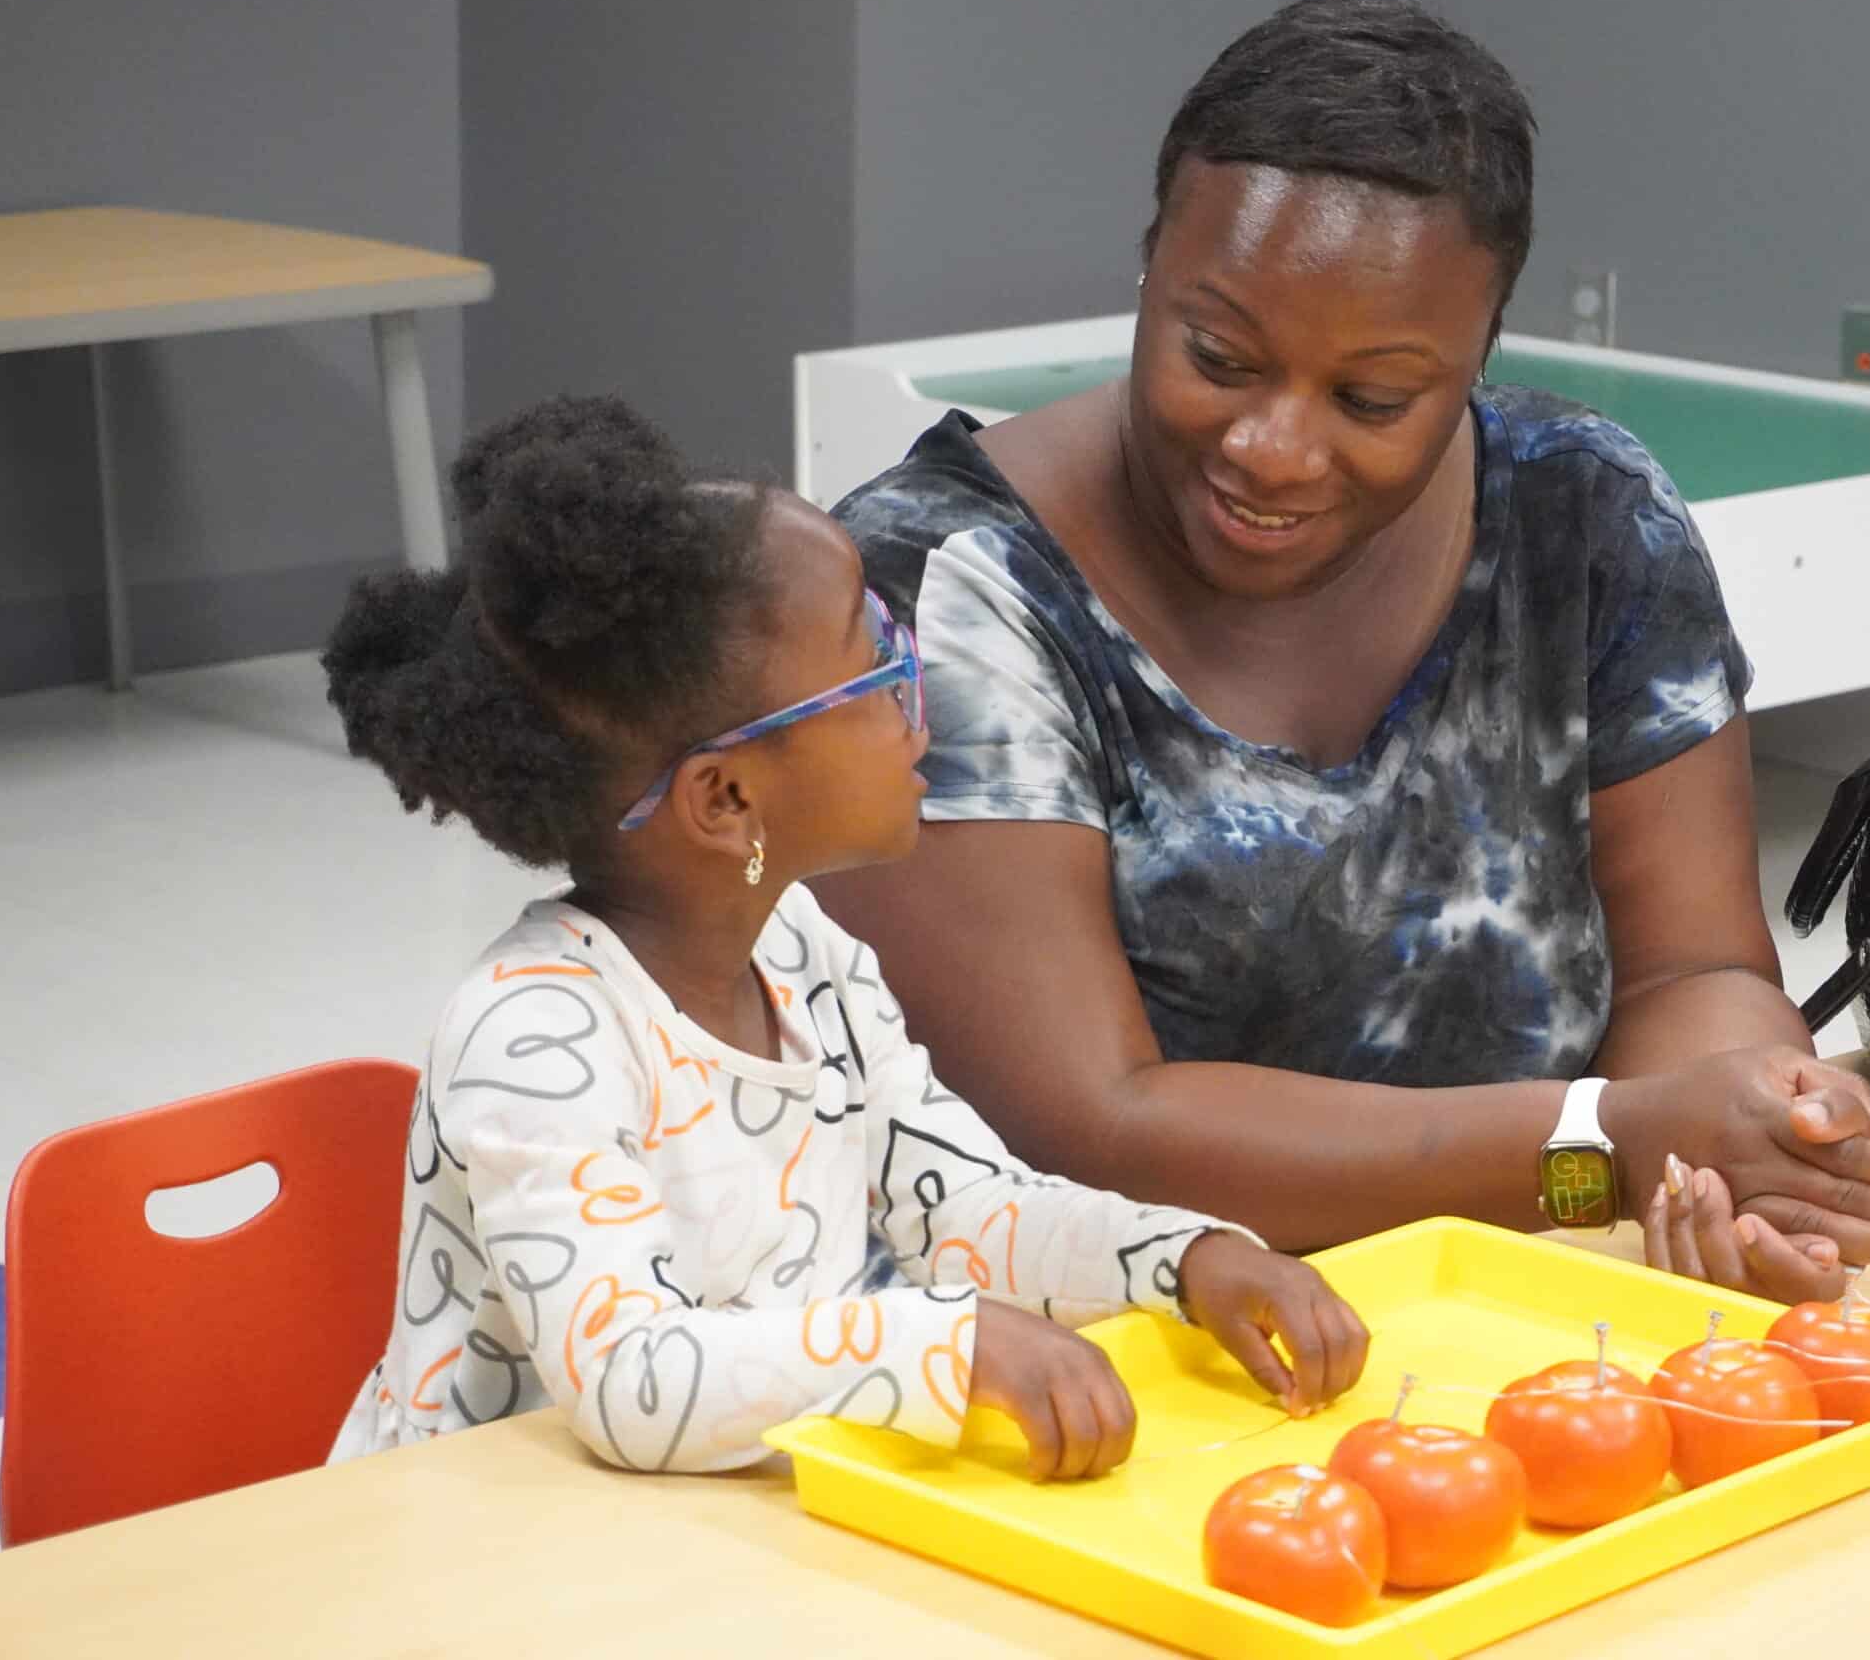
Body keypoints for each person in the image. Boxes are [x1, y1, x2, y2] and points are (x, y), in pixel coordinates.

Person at [821, 0, 1870, 1305]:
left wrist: (1733, 1162)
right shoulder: (941, 584)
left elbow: (1698, 969)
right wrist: (1605, 1153)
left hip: (1496, 1342)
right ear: (1151, 264)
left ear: (1477, 361)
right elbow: (1089, 1134)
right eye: (1217, 355)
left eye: (1372, 399)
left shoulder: (1585, 515)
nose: (1272, 449)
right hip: (1078, 1370)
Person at [320, 396, 1367, 1479]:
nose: (921, 690)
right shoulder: (533, 1036)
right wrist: (941, 1344)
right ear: (725, 800)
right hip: (479, 1558)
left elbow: (962, 1208)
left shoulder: (803, 958)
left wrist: (1183, 1257)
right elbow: (633, 1381)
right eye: (877, 663)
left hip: (705, 1538)